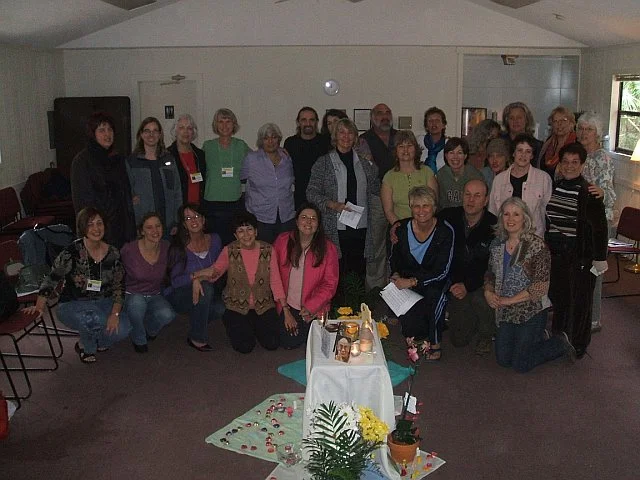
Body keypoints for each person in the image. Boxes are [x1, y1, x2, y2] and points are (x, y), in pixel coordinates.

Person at [23, 207, 130, 364]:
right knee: (95, 318)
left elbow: (119, 286)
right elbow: (52, 278)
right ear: (82, 227)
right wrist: (39, 306)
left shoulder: (113, 253)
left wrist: (114, 314)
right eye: (90, 224)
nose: (96, 228)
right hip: (74, 303)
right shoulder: (72, 251)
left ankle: (101, 341)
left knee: (124, 328)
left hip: (104, 301)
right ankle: (86, 346)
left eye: (99, 223)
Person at [484, 197, 575, 373]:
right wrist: (488, 291)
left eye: (516, 214)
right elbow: (490, 273)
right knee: (503, 360)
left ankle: (559, 343)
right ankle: (535, 339)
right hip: (505, 310)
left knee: (520, 364)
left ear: (525, 218)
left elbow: (540, 287)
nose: (510, 219)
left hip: (532, 309)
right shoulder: (497, 244)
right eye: (506, 214)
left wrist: (507, 300)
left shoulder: (537, 246)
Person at [546, 143, 608, 359]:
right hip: (556, 253)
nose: (569, 166)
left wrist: (599, 258)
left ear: (582, 165)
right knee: (560, 298)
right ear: (560, 164)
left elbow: (600, 228)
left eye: (575, 162)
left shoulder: (590, 192)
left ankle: (578, 345)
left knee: (580, 302)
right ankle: (559, 339)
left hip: (579, 256)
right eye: (565, 162)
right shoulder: (555, 186)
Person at [389, 186, 455, 361]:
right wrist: (395, 274)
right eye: (416, 206)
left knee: (435, 297)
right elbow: (394, 258)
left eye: (426, 205)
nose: (421, 210)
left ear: (434, 207)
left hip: (435, 281)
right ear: (411, 208)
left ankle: (435, 342)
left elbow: (442, 271)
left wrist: (412, 282)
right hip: (408, 280)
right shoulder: (401, 228)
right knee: (412, 330)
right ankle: (423, 323)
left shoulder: (445, 230)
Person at [307, 118, 379, 280]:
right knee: (336, 273)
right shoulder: (323, 163)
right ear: (335, 136)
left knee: (358, 274)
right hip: (335, 226)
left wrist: (373, 165)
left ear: (355, 137)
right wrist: (332, 204)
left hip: (360, 225)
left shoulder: (363, 163)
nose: (346, 136)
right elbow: (311, 193)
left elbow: (375, 188)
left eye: (350, 133)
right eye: (341, 132)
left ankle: (357, 298)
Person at [206, 211, 287, 354]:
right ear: (235, 235)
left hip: (263, 305)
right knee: (245, 347)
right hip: (236, 305)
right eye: (240, 231)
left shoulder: (268, 250)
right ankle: (237, 322)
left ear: (256, 232)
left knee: (272, 343)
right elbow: (215, 272)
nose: (246, 234)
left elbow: (275, 281)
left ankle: (253, 323)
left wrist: (286, 310)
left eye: (249, 229)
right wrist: (196, 277)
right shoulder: (229, 250)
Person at [438, 179, 496, 355]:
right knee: (459, 340)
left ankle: (487, 334)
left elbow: (492, 267)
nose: (471, 200)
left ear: (485, 200)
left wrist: (468, 285)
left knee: (481, 299)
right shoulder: (448, 216)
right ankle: (469, 315)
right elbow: (422, 219)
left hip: (481, 282)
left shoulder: (494, 226)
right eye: (467, 194)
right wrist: (398, 225)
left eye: (477, 196)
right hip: (456, 283)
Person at [273, 203, 339, 349]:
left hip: (314, 307)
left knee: (318, 344)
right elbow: (274, 277)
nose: (308, 222)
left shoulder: (328, 248)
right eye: (304, 217)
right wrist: (285, 310)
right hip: (287, 305)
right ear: (296, 222)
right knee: (288, 343)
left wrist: (311, 306)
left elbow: (330, 284)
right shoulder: (282, 241)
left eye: (313, 218)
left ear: (318, 225)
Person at [576, 111, 616, 333]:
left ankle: (594, 319)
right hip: (581, 219)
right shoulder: (579, 155)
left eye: (589, 130)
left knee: (596, 270)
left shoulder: (603, 158)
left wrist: (601, 192)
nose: (584, 133)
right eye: (581, 129)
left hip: (599, 222)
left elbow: (609, 194)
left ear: (597, 134)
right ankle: (580, 312)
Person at [70, 111, 135, 248]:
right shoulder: (82, 161)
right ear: (92, 134)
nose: (107, 134)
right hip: (97, 231)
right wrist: (97, 228)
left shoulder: (118, 159)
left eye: (110, 129)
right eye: (101, 130)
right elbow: (83, 203)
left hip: (122, 230)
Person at [165, 203, 222, 352]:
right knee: (206, 289)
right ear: (184, 224)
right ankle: (197, 337)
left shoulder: (215, 240)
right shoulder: (178, 246)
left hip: (207, 290)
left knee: (221, 308)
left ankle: (197, 317)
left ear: (203, 219)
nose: (194, 220)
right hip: (179, 294)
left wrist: (201, 279)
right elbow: (175, 282)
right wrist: (196, 277)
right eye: (188, 218)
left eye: (196, 216)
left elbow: (219, 269)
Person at [120, 212, 175, 353]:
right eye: (149, 227)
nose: (155, 231)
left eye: (158, 226)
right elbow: (116, 273)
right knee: (137, 304)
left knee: (168, 315)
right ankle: (138, 338)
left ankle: (149, 330)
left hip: (154, 294)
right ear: (142, 231)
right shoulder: (129, 249)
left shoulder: (167, 247)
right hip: (131, 294)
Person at [360, 103, 396, 291]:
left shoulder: (400, 137)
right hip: (376, 198)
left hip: (400, 196)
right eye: (380, 113)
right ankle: (375, 289)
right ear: (372, 118)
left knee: (400, 243)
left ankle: (396, 288)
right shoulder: (364, 140)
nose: (385, 116)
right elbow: (367, 170)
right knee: (376, 245)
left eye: (387, 112)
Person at [202, 108, 251, 245]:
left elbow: (259, 159)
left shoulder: (241, 145)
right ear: (215, 125)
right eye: (220, 121)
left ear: (234, 124)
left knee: (232, 243)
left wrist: (279, 151)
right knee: (213, 243)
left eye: (228, 121)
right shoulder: (208, 146)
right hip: (212, 204)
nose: (224, 125)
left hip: (234, 203)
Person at [126, 117, 183, 235]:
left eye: (155, 131)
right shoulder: (132, 162)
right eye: (147, 131)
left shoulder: (168, 159)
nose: (151, 135)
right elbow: (128, 193)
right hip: (144, 224)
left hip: (167, 222)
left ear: (160, 134)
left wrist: (176, 221)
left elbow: (177, 191)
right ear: (141, 134)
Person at [488, 133, 552, 237]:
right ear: (513, 153)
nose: (523, 155)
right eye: (520, 150)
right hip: (504, 238)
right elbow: (493, 211)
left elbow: (548, 213)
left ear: (532, 155)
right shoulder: (499, 180)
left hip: (534, 238)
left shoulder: (543, 179)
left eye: (528, 151)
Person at [241, 123, 295, 244]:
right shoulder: (251, 159)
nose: (270, 141)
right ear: (261, 141)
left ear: (279, 139)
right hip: (260, 217)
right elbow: (241, 179)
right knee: (264, 252)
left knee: (285, 251)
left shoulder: (287, 158)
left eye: (274, 137)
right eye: (266, 138)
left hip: (286, 216)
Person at [381, 130, 438, 226]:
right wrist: (401, 228)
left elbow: (434, 205)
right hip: (399, 226)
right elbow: (388, 211)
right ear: (395, 151)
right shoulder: (389, 177)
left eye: (409, 146)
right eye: (401, 146)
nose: (405, 150)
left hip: (425, 225)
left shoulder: (427, 172)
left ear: (415, 149)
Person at [283, 107, 330, 209]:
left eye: (311, 120)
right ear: (298, 122)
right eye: (304, 120)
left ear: (316, 122)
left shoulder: (326, 142)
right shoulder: (290, 143)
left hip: (323, 197)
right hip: (299, 196)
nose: (308, 123)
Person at [168, 113, 207, 206]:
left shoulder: (200, 155)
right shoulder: (167, 155)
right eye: (181, 128)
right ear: (175, 132)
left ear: (193, 132)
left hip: (198, 207)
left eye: (189, 128)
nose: (185, 132)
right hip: (177, 207)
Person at [436, 137, 483, 210]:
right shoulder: (441, 175)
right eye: (451, 153)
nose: (455, 157)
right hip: (446, 214)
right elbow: (440, 204)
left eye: (459, 153)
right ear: (446, 156)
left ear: (465, 156)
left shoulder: (475, 176)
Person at [538, 106, 577, 177]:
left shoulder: (576, 143)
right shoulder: (548, 143)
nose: (559, 124)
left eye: (564, 120)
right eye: (555, 121)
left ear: (571, 123)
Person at [417, 107, 448, 174]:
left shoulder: (449, 144)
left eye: (437, 120)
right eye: (430, 121)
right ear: (426, 126)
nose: (434, 123)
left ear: (443, 125)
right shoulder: (418, 141)